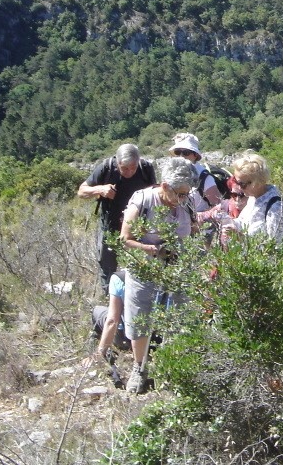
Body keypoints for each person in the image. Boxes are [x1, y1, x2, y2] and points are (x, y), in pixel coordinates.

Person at [119, 156, 196, 394]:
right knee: (140, 313)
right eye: (179, 194)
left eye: (187, 193)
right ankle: (139, 368)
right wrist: (150, 250)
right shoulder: (142, 201)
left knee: (181, 315)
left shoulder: (187, 203)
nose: (183, 199)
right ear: (164, 186)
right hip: (144, 267)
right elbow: (125, 239)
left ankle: (176, 366)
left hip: (177, 267)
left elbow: (192, 230)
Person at [77, 144, 157, 294]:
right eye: (124, 168)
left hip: (139, 227)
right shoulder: (106, 168)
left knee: (141, 263)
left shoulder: (145, 168)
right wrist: (100, 189)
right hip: (111, 225)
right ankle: (109, 298)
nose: (129, 172)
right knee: (108, 264)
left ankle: (139, 295)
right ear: (117, 162)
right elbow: (81, 191)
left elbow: (154, 190)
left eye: (133, 167)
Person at [220, 151, 283, 245]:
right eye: (236, 182)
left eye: (242, 184)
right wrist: (229, 224)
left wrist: (239, 237)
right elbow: (243, 223)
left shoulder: (276, 208)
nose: (239, 188)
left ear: (257, 182)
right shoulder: (252, 199)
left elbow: (274, 249)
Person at [170, 132, 223, 215]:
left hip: (201, 226)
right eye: (177, 152)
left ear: (195, 155)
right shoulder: (172, 175)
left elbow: (219, 207)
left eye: (186, 152)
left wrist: (197, 217)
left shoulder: (205, 178)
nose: (181, 156)